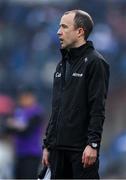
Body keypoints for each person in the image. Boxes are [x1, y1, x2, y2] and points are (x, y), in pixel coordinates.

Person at [42, 9, 110, 179]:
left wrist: (93, 144)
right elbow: (56, 109)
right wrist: (48, 145)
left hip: (81, 151)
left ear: (80, 31)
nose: (58, 32)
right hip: (58, 150)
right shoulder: (61, 65)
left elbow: (97, 107)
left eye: (64, 27)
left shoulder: (96, 63)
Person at [6, 87, 45, 179]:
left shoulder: (36, 112)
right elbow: (8, 128)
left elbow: (26, 130)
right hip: (19, 153)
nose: (23, 99)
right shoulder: (18, 111)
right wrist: (16, 126)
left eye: (26, 96)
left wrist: (15, 125)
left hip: (31, 154)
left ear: (32, 97)